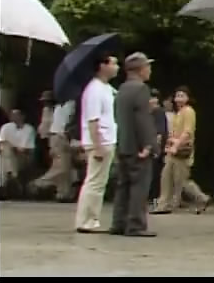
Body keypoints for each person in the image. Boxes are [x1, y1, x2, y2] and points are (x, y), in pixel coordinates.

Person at [110, 52, 161, 238]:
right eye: (147, 66)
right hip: (137, 146)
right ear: (140, 69)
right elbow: (142, 119)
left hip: (124, 144)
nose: (149, 70)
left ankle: (119, 222)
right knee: (140, 185)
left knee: (123, 185)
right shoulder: (140, 89)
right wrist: (149, 144)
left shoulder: (122, 89)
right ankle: (136, 224)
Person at [73, 54, 119, 232]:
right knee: (94, 182)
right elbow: (93, 120)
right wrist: (98, 145)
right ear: (102, 65)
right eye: (113, 63)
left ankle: (92, 218)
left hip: (108, 139)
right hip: (100, 141)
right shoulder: (94, 90)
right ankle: (86, 220)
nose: (117, 67)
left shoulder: (106, 88)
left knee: (99, 182)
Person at [155, 86, 210, 214]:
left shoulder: (189, 111)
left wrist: (176, 145)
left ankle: (202, 198)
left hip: (182, 151)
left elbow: (187, 132)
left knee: (182, 180)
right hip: (173, 150)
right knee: (166, 176)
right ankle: (163, 205)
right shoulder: (178, 113)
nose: (179, 98)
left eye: (182, 96)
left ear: (188, 98)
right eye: (177, 96)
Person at [31, 92, 78, 202]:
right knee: (63, 167)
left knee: (66, 167)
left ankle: (63, 194)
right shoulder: (68, 105)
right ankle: (40, 182)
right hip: (59, 137)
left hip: (57, 137)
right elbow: (69, 123)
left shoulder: (57, 108)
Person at [0, 107, 35, 192]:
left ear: (23, 116)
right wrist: (12, 148)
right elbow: (2, 144)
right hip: (7, 155)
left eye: (16, 115)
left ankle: (3, 184)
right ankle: (12, 176)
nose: (13, 117)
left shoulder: (29, 129)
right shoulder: (5, 127)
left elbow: (25, 150)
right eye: (12, 115)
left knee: (5, 157)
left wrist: (12, 148)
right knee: (5, 154)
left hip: (23, 157)